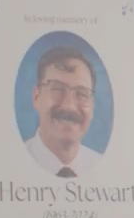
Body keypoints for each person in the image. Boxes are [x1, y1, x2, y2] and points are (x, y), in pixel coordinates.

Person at [24, 46, 103, 178]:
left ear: (92, 105)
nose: (69, 106)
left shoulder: (106, 169)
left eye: (81, 94)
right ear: (36, 97)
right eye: (57, 89)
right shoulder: (11, 164)